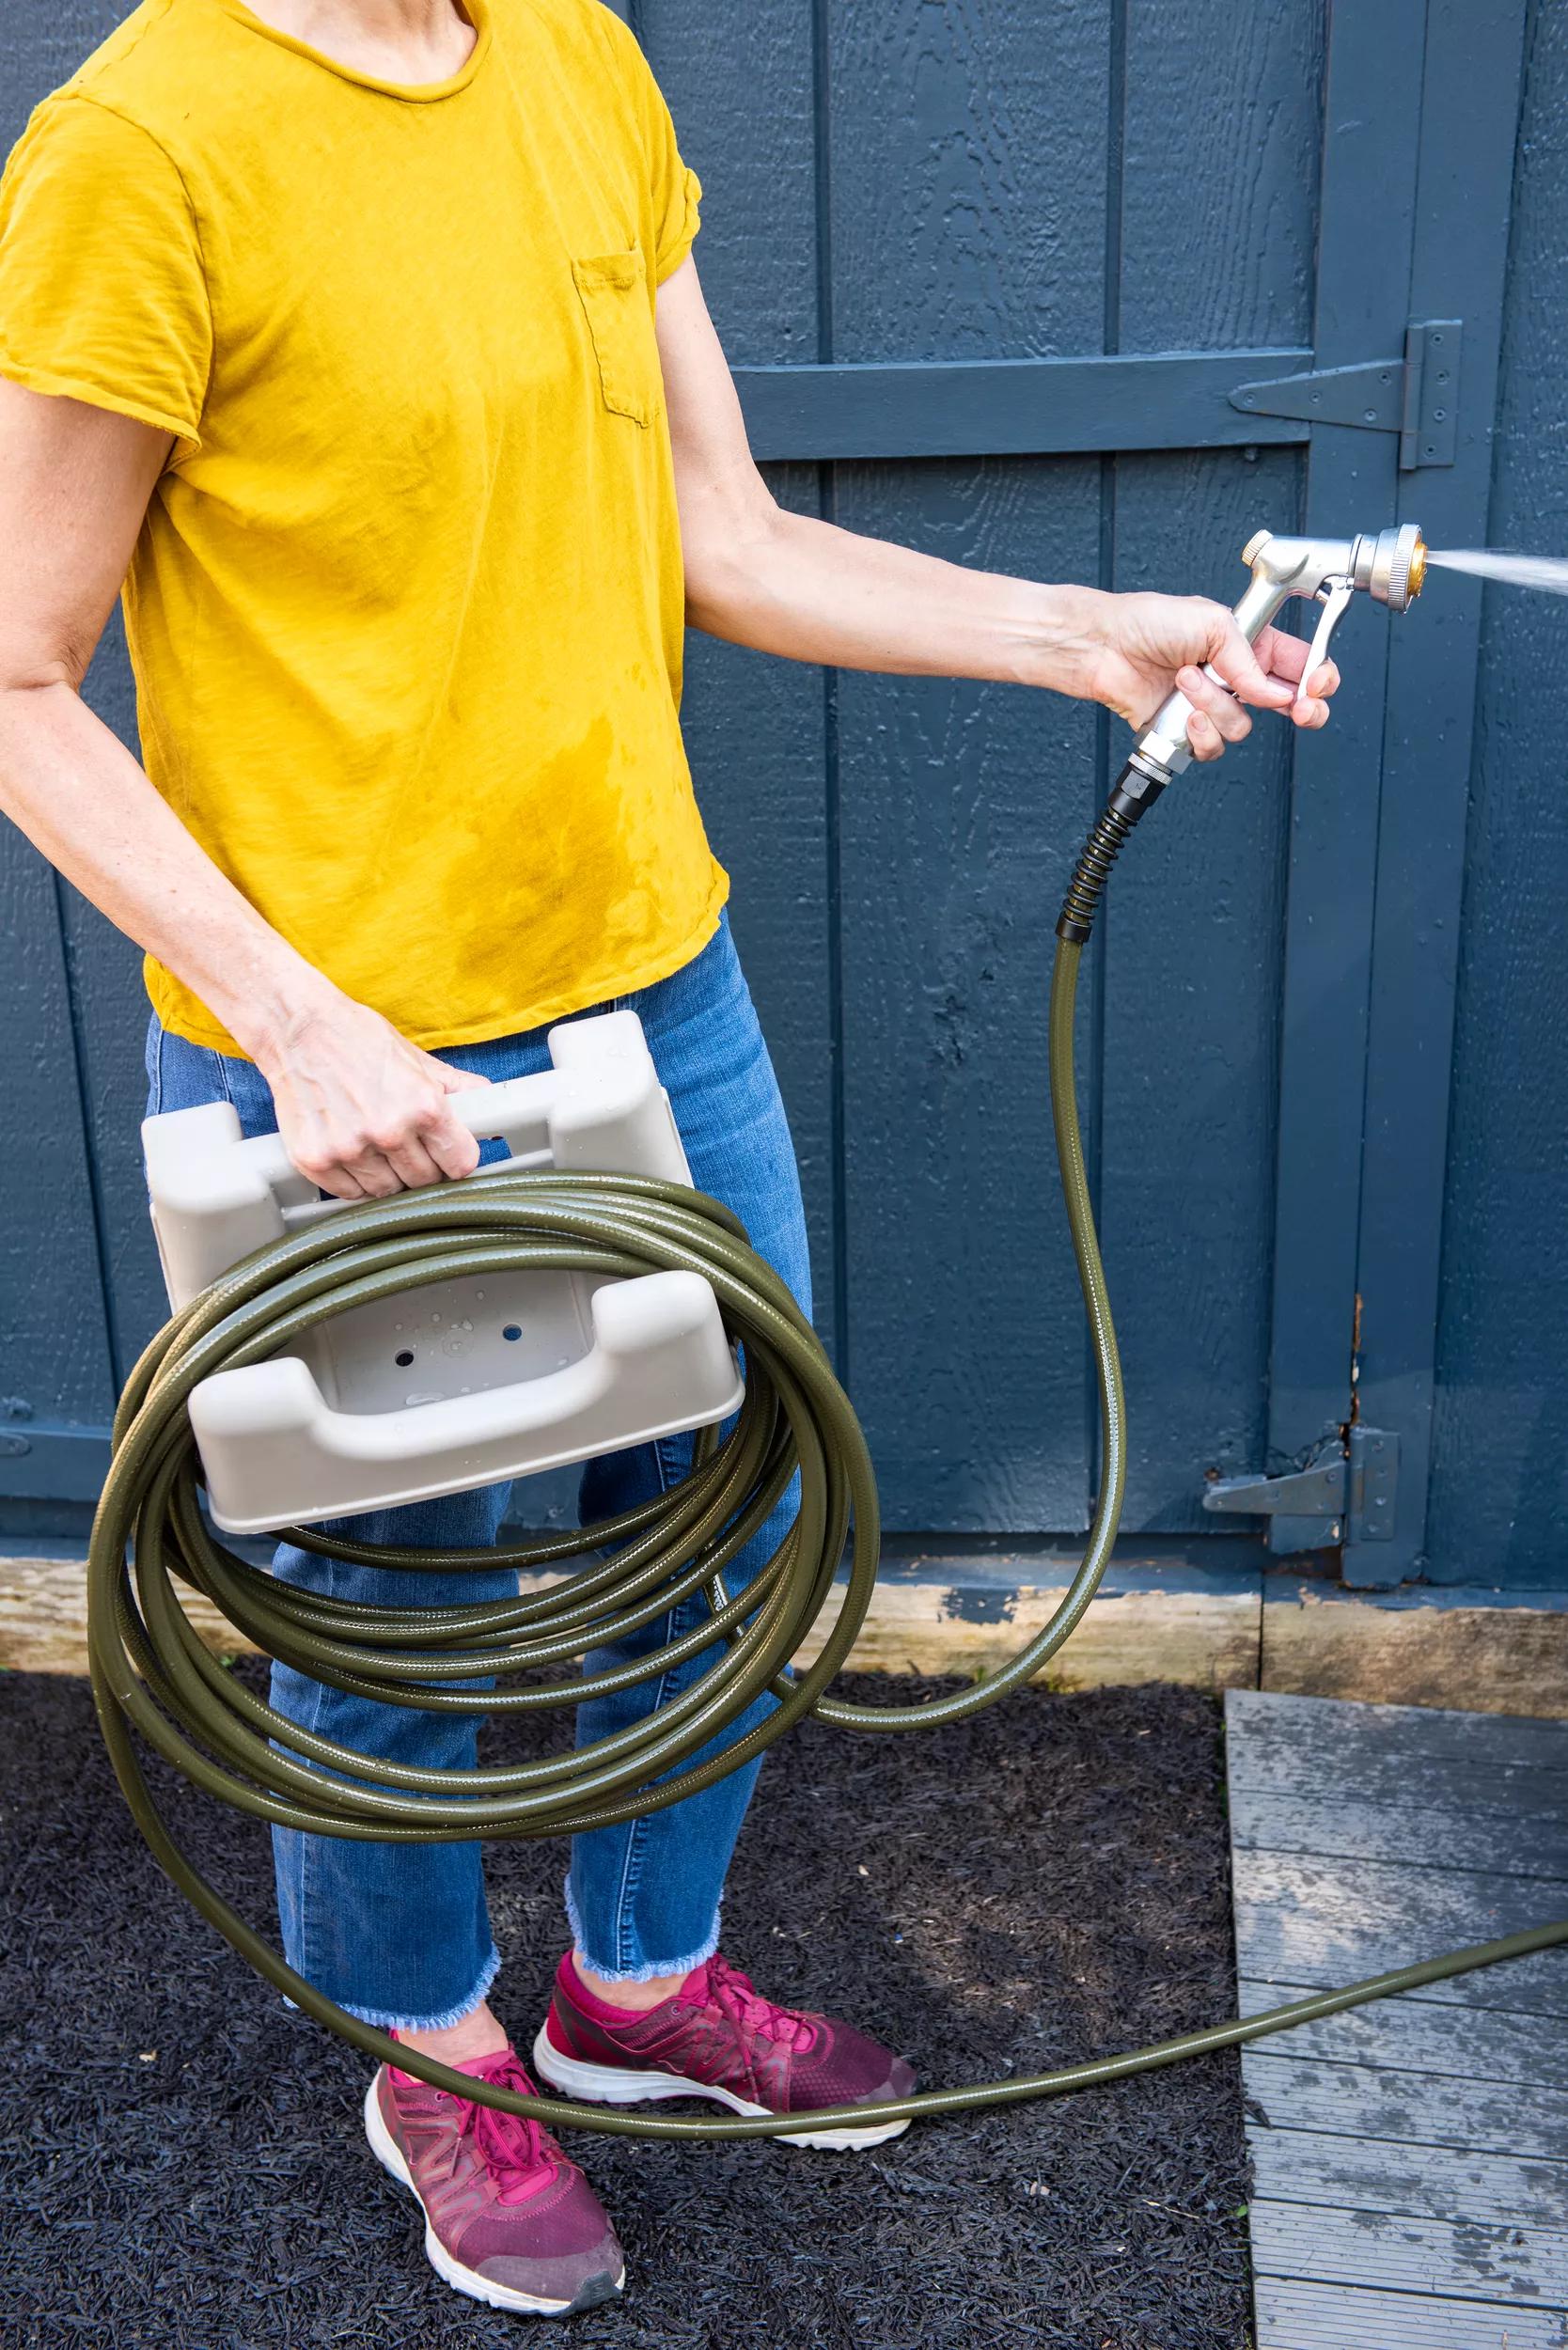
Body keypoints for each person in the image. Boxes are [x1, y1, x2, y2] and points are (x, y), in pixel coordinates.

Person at [0, 0, 1340, 2319]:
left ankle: (635, 1994)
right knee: (390, 1624)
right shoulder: (148, 146)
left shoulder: (578, 60)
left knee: (719, 1549)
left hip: (654, 1004)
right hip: (351, 1080)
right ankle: (434, 2049)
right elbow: (17, 670)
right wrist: (303, 1015)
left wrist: (1077, 637)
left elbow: (713, 532)